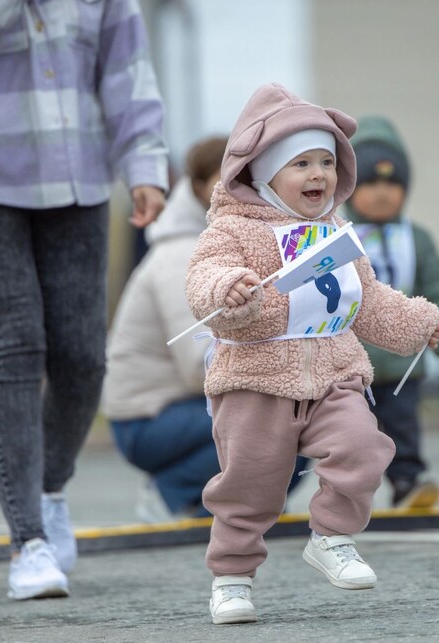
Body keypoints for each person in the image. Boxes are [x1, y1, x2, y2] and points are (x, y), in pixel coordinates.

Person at [0, 0, 169, 600]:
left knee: (81, 359)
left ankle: (47, 490)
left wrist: (144, 162)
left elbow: (126, 69)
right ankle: (28, 542)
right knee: (17, 344)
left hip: (78, 178)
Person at [186, 83, 439, 625]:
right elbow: (202, 277)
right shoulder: (232, 229)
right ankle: (232, 577)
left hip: (334, 371)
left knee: (363, 448)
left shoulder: (333, 233)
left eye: (326, 162)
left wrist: (419, 323)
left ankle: (332, 537)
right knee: (250, 487)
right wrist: (225, 288)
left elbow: (368, 300)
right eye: (300, 162)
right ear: (262, 173)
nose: (318, 175)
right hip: (255, 380)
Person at [104, 136, 311, 522]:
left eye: (246, 175)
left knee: (295, 432)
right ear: (199, 186)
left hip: (185, 408)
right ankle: (171, 492)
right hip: (147, 419)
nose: (238, 184)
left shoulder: (241, 239)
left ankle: (223, 506)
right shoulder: (180, 253)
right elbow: (197, 361)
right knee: (278, 422)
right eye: (225, 176)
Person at [343, 115, 439, 509]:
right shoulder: (335, 238)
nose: (382, 193)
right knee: (347, 430)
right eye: (370, 183)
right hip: (349, 363)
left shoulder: (418, 239)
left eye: (392, 183)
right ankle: (347, 491)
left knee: (403, 427)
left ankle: (408, 483)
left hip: (402, 363)